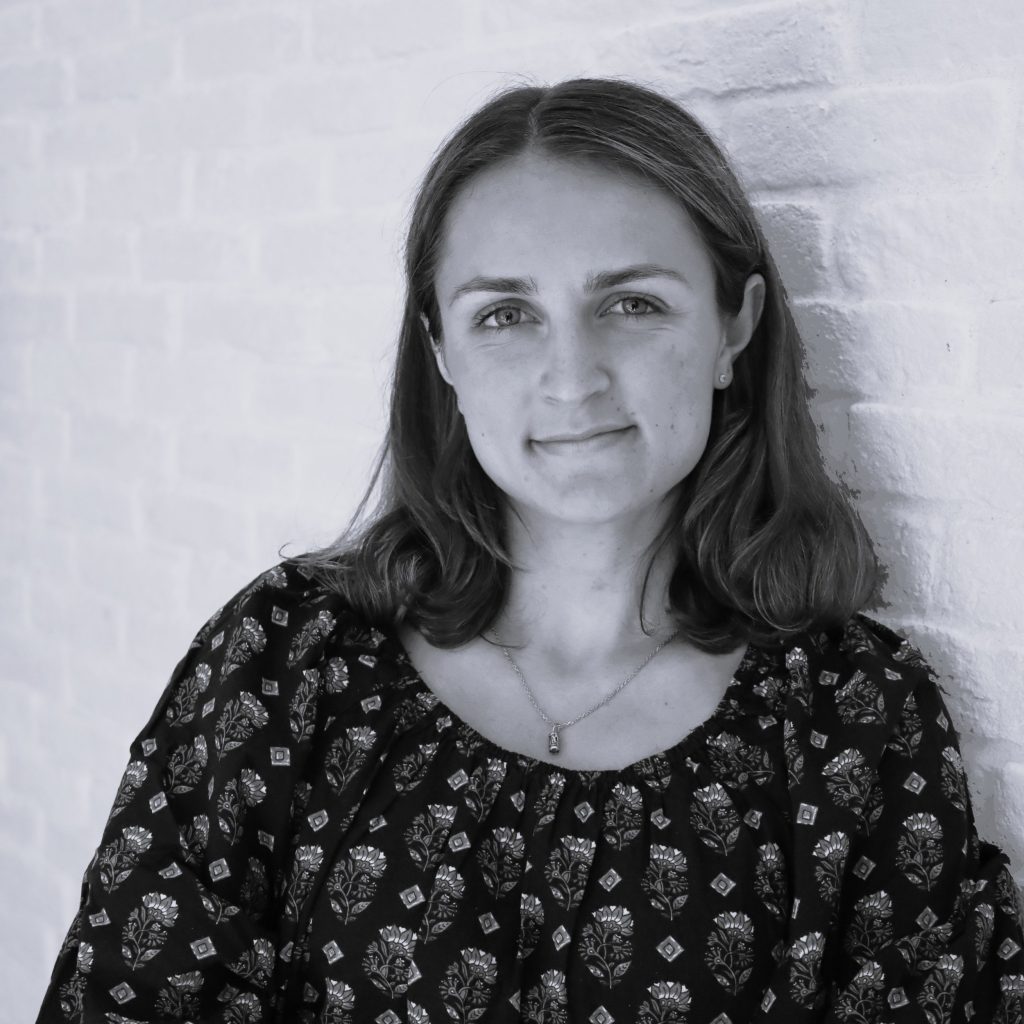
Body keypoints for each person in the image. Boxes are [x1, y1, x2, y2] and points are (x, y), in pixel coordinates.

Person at [37, 77, 1024, 1024]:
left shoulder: (854, 721)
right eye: (505, 315)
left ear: (735, 327)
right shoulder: (289, 663)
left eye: (631, 303)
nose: (572, 378)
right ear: (441, 351)